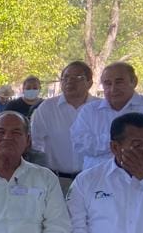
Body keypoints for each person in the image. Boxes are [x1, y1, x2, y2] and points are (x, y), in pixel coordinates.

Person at [71, 61, 143, 171]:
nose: (113, 88)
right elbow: (80, 145)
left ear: (134, 81)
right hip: (98, 178)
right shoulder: (89, 111)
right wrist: (124, 139)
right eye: (107, 83)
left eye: (119, 82)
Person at [30, 61, 98, 194]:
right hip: (57, 181)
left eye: (77, 77)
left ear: (90, 83)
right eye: (65, 78)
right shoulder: (47, 108)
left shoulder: (100, 108)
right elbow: (35, 143)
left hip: (93, 180)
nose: (70, 81)